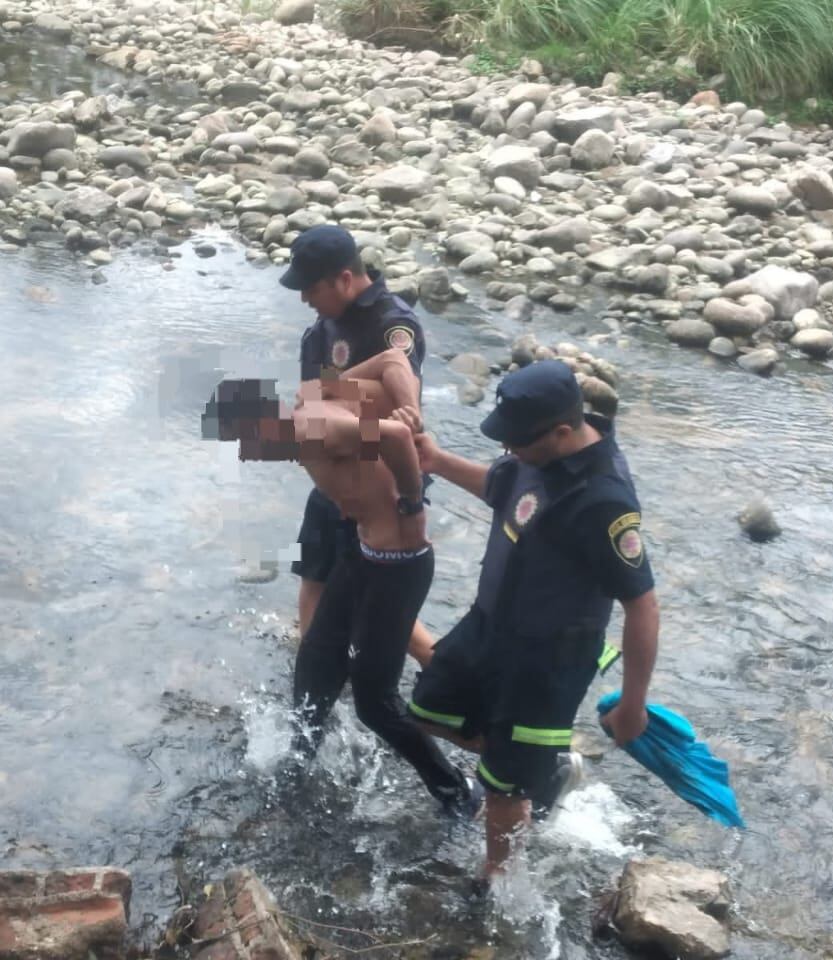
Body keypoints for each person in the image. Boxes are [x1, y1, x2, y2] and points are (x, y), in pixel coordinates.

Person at [403, 360, 660, 878]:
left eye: (517, 442)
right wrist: (436, 460)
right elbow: (504, 487)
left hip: (548, 658)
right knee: (428, 708)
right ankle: (544, 771)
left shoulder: (605, 500)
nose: (508, 450)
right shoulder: (535, 452)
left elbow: (643, 605)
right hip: (491, 626)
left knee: (501, 786)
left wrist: (634, 704)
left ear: (562, 431)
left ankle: (496, 884)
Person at [205, 350, 479, 814]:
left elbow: (392, 435)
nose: (248, 455)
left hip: (399, 565)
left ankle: (458, 790)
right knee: (315, 659)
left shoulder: (316, 427)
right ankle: (301, 759)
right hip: (363, 554)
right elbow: (391, 358)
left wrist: (412, 504)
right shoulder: (314, 395)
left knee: (375, 704)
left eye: (244, 442)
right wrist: (403, 400)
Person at [280, 224, 434, 665]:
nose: (305, 299)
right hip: (335, 477)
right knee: (313, 574)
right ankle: (311, 674)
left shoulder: (391, 324)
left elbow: (397, 404)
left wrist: (325, 400)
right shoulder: (322, 329)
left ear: (344, 278)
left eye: (311, 288)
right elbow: (315, 395)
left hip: (379, 479)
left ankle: (446, 676)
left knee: (379, 602)